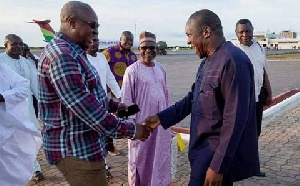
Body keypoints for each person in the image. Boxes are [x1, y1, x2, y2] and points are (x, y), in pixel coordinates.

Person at [38, 1, 149, 186]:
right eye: (92, 25)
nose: (95, 31)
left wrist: (114, 105)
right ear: (72, 23)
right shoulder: (62, 57)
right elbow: (89, 112)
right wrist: (132, 130)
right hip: (76, 149)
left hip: (85, 145)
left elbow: (89, 93)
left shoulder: (74, 52)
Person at [144, 9, 259, 185]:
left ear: (206, 32)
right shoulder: (207, 62)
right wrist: (160, 118)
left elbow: (235, 120)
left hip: (214, 155)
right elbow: (193, 98)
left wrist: (218, 165)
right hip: (201, 152)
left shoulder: (233, 61)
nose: (188, 41)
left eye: (189, 35)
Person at [122, 31, 172, 186]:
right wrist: (131, 128)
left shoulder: (161, 69)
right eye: (144, 47)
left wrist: (169, 119)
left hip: (161, 125)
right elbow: (126, 101)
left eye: (152, 47)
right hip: (141, 126)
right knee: (140, 160)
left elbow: (165, 95)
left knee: (160, 158)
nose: (148, 51)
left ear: (156, 48)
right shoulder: (132, 71)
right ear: (139, 49)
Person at [0, 34, 44, 181]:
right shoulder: (1, 61)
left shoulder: (26, 62)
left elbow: (34, 85)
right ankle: (34, 169)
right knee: (13, 142)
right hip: (8, 111)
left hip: (27, 107)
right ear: (6, 45)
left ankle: (32, 166)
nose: (18, 47)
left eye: (20, 44)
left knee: (30, 136)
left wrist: (44, 103)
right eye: (14, 44)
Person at [235, 18, 272, 177]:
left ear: (252, 30)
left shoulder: (259, 47)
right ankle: (235, 168)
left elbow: (263, 71)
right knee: (238, 134)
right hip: (240, 101)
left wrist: (268, 91)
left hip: (257, 98)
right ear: (236, 33)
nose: (244, 35)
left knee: (254, 133)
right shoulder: (233, 49)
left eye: (247, 31)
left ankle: (252, 168)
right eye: (240, 32)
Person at [86, 33, 122, 179]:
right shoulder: (82, 59)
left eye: (96, 41)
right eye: (91, 40)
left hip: (103, 103)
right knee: (91, 138)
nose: (94, 43)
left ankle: (103, 166)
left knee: (101, 136)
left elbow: (109, 78)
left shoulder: (101, 57)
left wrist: (120, 96)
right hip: (88, 106)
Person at [102, 31, 137, 155]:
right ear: (120, 39)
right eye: (126, 40)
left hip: (128, 92)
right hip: (111, 94)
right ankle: (109, 146)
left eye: (131, 40)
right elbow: (99, 67)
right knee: (109, 119)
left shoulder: (133, 56)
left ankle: (133, 138)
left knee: (129, 115)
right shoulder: (109, 53)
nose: (128, 43)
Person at [22, 43, 39, 117]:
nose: (26, 52)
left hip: (35, 89)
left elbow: (40, 66)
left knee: (35, 110)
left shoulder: (33, 58)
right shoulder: (18, 60)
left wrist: (33, 58)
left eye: (28, 50)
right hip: (25, 91)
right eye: (25, 50)